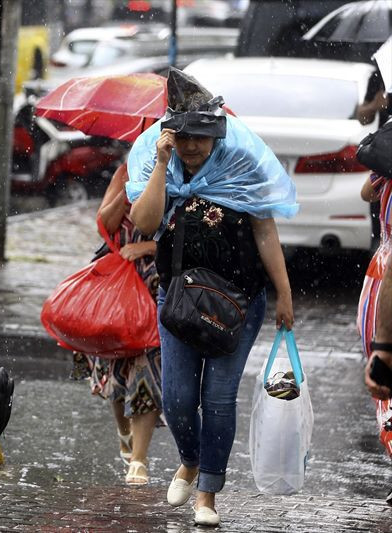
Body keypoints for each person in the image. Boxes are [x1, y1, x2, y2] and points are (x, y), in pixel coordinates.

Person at [127, 68, 298, 527]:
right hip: (179, 300)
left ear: (217, 133)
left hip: (238, 302)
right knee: (179, 399)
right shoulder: (159, 164)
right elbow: (144, 223)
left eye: (200, 137)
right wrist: (162, 164)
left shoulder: (241, 164)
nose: (191, 146)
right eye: (182, 136)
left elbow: (265, 231)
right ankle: (190, 459)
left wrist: (284, 294)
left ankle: (207, 495)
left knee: (219, 397)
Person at [71, 164, 163, 487]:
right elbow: (105, 225)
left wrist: (147, 247)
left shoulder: (182, 176)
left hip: (155, 287)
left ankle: (139, 458)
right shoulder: (126, 171)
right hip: (118, 284)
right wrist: (126, 191)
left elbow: (186, 238)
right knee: (116, 368)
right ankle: (125, 433)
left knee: (146, 368)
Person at [357, 152, 392, 504]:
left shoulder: (387, 161)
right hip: (385, 279)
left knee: (383, 379)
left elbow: (366, 193)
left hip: (382, 275)